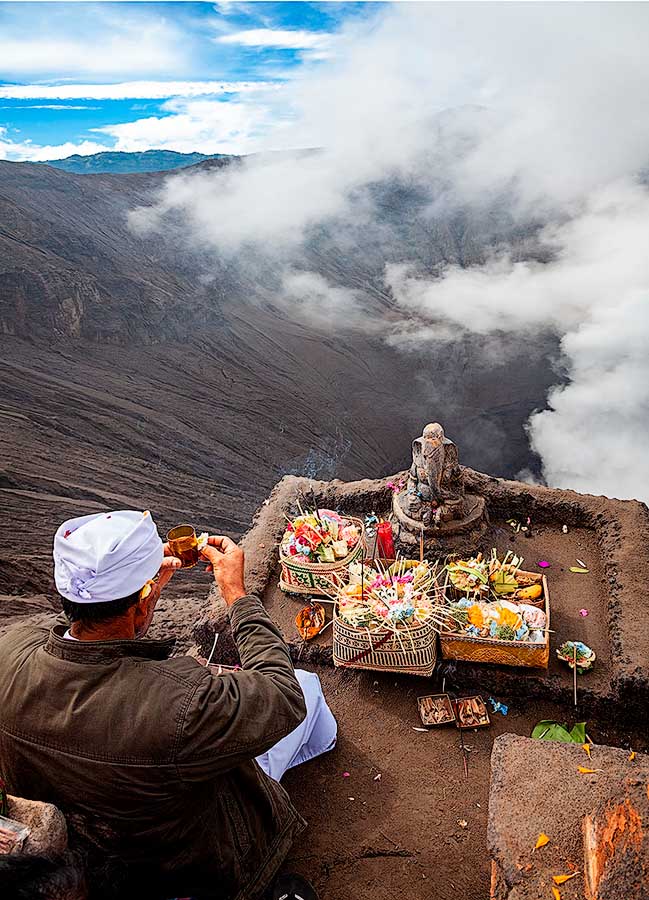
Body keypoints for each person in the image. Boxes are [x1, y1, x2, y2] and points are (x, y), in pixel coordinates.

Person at [0, 510, 337, 900]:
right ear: (141, 604)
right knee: (307, 688)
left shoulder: (10, 653)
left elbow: (66, 627)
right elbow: (282, 695)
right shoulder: (178, 705)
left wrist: (130, 579)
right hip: (188, 860)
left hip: (98, 849)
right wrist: (236, 595)